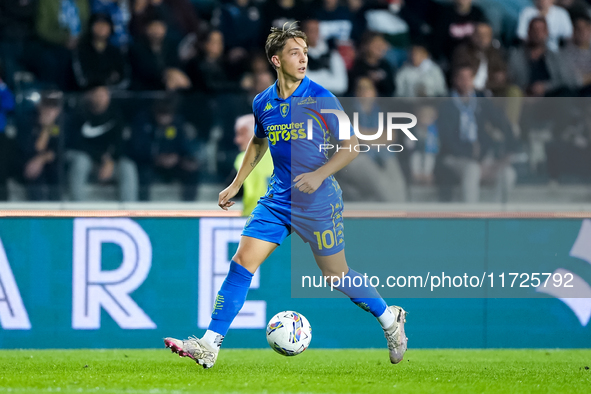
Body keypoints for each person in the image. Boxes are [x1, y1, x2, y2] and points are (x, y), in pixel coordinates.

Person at [164, 23, 408, 369]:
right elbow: (259, 141)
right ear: (276, 60)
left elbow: (351, 145)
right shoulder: (262, 102)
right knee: (241, 263)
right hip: (278, 199)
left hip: (318, 200)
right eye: (296, 52)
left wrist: (319, 174)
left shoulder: (321, 97)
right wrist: (237, 183)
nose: (304, 58)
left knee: (336, 275)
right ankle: (209, 345)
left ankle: (390, 319)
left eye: (305, 52)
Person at [437, 65, 517, 203]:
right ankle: (471, 216)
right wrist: (472, 155)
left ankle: (494, 216)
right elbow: (447, 139)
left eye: (469, 78)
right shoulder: (447, 105)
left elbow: (504, 124)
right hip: (456, 157)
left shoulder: (482, 102)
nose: (465, 82)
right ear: (455, 80)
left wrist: (508, 153)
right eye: (461, 78)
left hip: (482, 157)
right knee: (472, 170)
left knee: (508, 174)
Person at [124, 98, 199, 201]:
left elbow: (183, 146)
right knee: (144, 174)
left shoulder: (177, 124)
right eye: (161, 114)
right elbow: (136, 149)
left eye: (168, 114)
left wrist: (179, 158)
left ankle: (190, 207)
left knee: (191, 171)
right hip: (149, 163)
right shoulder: (143, 122)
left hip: (173, 163)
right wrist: (156, 158)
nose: (164, 118)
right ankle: (143, 208)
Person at [65, 86, 125, 201]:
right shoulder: (79, 115)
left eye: (104, 95)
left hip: (106, 162)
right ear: (90, 96)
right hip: (86, 158)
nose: (101, 99)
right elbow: (76, 143)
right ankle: (77, 208)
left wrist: (110, 161)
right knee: (81, 161)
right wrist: (99, 157)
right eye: (97, 95)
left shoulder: (116, 116)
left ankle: (131, 211)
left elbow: (120, 143)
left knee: (127, 167)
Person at [509, 17, 580, 97]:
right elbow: (511, 79)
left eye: (541, 30)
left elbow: (568, 80)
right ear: (528, 32)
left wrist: (546, 87)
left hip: (551, 96)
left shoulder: (556, 57)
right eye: (534, 30)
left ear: (547, 32)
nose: (537, 33)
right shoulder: (516, 56)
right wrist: (527, 91)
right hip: (526, 97)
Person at [16, 91, 63, 201]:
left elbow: (59, 150)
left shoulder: (62, 122)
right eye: (47, 105)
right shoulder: (28, 120)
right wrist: (45, 128)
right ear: (39, 106)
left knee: (55, 170)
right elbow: (32, 149)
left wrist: (41, 159)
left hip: (52, 164)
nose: (49, 110)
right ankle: (38, 209)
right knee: (34, 171)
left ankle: (57, 210)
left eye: (53, 107)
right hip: (28, 163)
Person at [72, 13, 128, 90]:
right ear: (91, 26)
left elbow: (124, 78)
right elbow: (82, 80)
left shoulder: (116, 52)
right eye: (98, 24)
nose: (101, 28)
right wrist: (106, 80)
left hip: (114, 95)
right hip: (87, 95)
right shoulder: (81, 51)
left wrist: (107, 89)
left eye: (105, 25)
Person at [232, 114, 273, 216]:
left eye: (241, 134)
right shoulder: (286, 155)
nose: (237, 140)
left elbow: (231, 193)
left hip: (254, 220)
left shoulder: (243, 159)